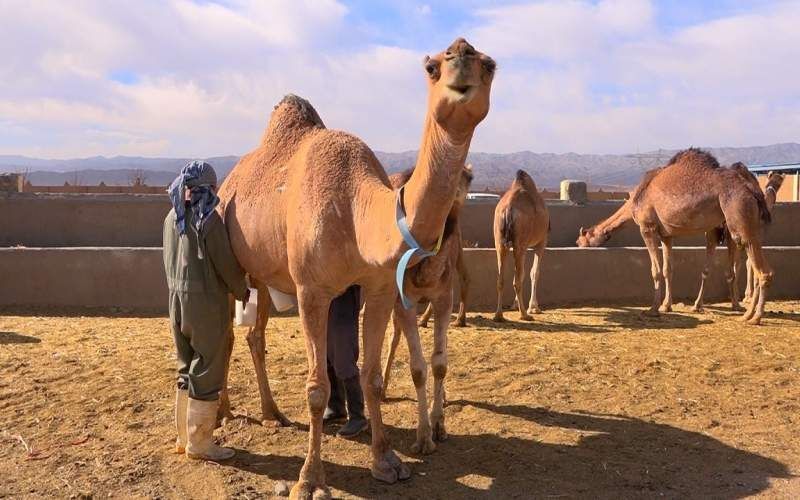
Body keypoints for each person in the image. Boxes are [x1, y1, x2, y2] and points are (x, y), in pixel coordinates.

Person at [163, 160, 248, 461]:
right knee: (208, 368)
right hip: (206, 306)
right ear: (210, 188)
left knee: (185, 366)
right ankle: (200, 444)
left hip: (176, 304)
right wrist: (243, 291)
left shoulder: (172, 217)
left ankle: (183, 437)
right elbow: (225, 265)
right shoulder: (208, 221)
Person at [323, 285, 368, 437]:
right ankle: (335, 406)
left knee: (343, 352)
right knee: (326, 351)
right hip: (323, 289)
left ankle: (357, 415)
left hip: (344, 289)